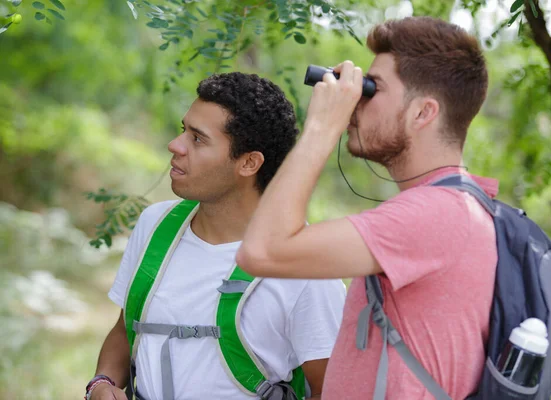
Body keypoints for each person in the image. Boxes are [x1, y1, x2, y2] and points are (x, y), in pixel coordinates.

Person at [237, 17, 497, 400]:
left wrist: (322, 126)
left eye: (373, 89)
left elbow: (261, 252)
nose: (356, 100)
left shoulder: (436, 214)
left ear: (423, 113)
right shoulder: (454, 207)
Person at [86, 72, 346, 400]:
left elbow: (334, 389)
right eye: (184, 130)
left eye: (197, 138)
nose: (175, 145)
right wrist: (101, 383)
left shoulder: (307, 269)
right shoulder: (155, 226)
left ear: (249, 163)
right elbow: (126, 332)